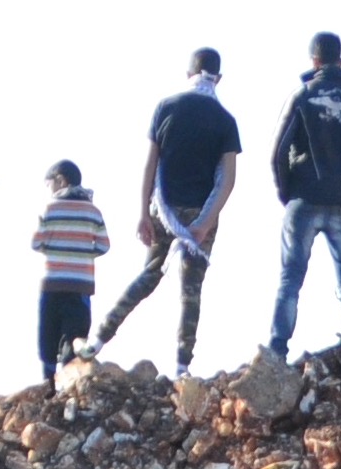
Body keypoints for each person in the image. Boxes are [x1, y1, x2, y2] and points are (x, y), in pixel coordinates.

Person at [93, 48, 240, 374]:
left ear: (188, 73)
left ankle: (99, 338)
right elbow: (227, 179)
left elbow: (150, 164)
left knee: (148, 276)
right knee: (190, 291)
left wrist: (143, 212)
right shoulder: (225, 120)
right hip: (201, 213)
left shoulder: (167, 107)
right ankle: (181, 366)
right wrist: (205, 222)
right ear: (219, 78)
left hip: (164, 209)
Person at [266, 30, 341, 358]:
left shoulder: (302, 96)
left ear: (315, 61)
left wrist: (287, 193)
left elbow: (277, 153)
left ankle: (277, 352)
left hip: (304, 201)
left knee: (290, 279)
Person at [29, 161, 109, 383]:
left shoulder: (49, 209)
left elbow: (36, 243)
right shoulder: (94, 212)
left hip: (52, 284)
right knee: (74, 338)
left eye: (49, 184)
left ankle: (48, 386)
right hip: (80, 287)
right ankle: (69, 386)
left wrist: (55, 249)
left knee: (48, 339)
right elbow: (103, 246)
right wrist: (82, 254)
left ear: (60, 180)